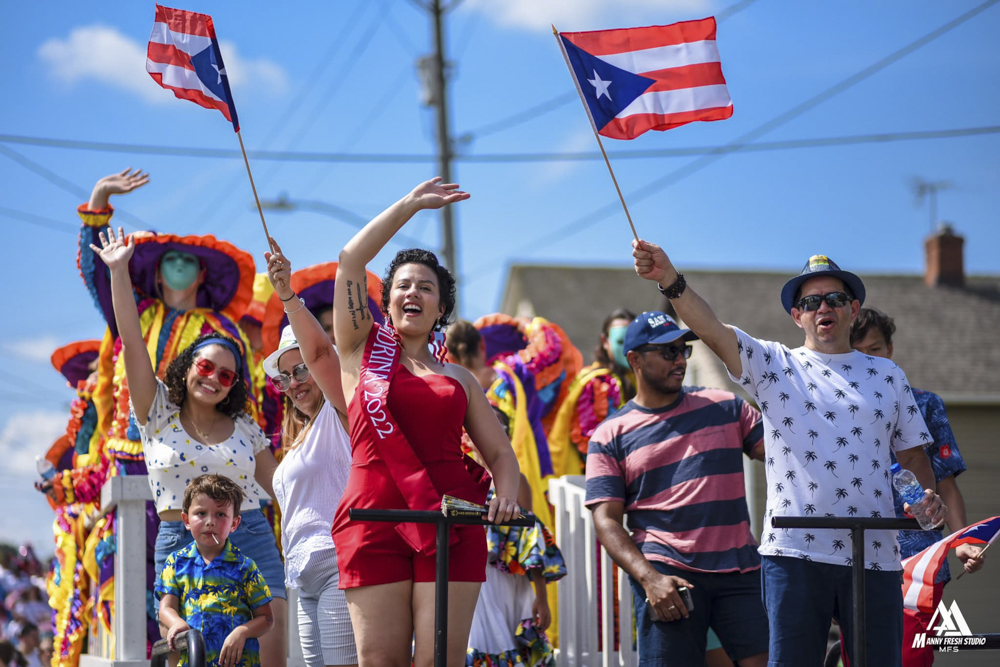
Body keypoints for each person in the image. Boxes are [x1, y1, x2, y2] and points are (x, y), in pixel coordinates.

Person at [632, 245, 947, 666]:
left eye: (834, 299)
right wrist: (669, 278)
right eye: (810, 301)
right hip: (796, 551)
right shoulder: (776, 364)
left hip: (874, 553)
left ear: (853, 308)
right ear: (796, 315)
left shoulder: (887, 375)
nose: (823, 308)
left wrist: (925, 498)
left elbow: (912, 458)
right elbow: (713, 330)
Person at [329, 177, 521, 667]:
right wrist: (410, 206)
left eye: (426, 287)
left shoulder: (459, 377)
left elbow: (499, 453)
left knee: (442, 661)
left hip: (451, 522)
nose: (413, 291)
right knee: (380, 661)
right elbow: (351, 259)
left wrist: (507, 495)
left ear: (441, 306)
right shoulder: (358, 349)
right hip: (372, 521)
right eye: (403, 285)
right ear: (387, 301)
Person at [76, 169, 264, 647]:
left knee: (221, 587)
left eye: (188, 262)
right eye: (170, 261)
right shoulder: (138, 315)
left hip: (208, 465)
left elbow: (247, 404)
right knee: (127, 569)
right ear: (156, 273)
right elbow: (103, 279)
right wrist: (99, 206)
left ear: (202, 275)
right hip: (133, 451)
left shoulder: (223, 328)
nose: (179, 268)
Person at [586, 311, 768, 666]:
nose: (680, 360)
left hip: (742, 570)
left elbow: (789, 457)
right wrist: (650, 580)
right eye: (667, 352)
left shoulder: (726, 406)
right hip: (667, 577)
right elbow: (606, 522)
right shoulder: (610, 434)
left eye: (682, 350)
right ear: (634, 359)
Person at [850, 307, 985, 666]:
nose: (868, 361)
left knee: (911, 657)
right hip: (853, 553)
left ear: (890, 351)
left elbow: (946, 484)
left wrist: (963, 541)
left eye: (875, 350)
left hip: (920, 556)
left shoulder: (925, 403)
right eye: (858, 353)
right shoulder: (834, 410)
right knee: (859, 656)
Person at [262, 242, 358, 667]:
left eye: (300, 370)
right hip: (303, 579)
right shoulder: (297, 437)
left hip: (341, 567)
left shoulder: (342, 411)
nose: (294, 382)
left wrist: (287, 295)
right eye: (284, 378)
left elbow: (321, 353)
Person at [157, 475, 274, 667]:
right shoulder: (176, 563)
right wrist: (176, 623)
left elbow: (267, 618)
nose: (210, 521)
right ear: (186, 520)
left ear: (234, 523)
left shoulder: (245, 567)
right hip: (193, 661)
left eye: (220, 514)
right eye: (201, 513)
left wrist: (242, 632)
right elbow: (166, 608)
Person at [549, 308, 637, 477]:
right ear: (605, 341)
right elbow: (590, 442)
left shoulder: (634, 380)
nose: (628, 349)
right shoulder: (598, 383)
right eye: (620, 342)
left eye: (633, 340)